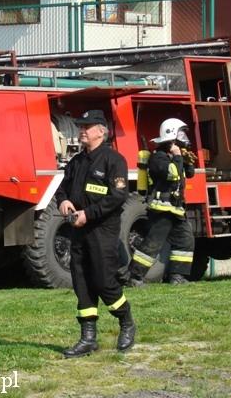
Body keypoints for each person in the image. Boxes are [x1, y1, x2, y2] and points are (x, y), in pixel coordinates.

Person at [55, 109, 135, 358]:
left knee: (104, 281)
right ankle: (88, 338)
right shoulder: (76, 162)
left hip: (102, 230)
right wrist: (63, 202)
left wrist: (87, 214)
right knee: (82, 282)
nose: (81, 130)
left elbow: (117, 197)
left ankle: (126, 322)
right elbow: (62, 189)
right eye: (80, 126)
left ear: (101, 131)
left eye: (86, 127)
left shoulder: (114, 160)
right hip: (78, 231)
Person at [128, 118, 196, 286]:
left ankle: (177, 276)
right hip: (162, 209)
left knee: (185, 241)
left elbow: (189, 174)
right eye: (180, 134)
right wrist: (178, 157)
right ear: (171, 136)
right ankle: (134, 277)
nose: (183, 138)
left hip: (176, 210)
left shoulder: (173, 156)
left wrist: (186, 160)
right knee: (153, 243)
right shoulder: (158, 158)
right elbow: (172, 174)